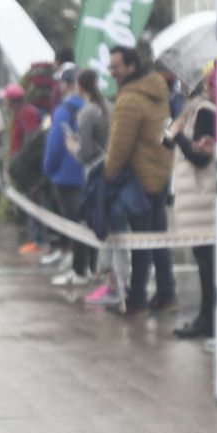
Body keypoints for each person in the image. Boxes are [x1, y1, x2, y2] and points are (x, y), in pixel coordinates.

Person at [104, 46, 175, 315]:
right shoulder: (157, 91)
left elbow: (119, 147)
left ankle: (137, 300)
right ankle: (167, 295)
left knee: (140, 244)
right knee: (158, 241)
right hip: (160, 173)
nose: (112, 72)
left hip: (139, 179)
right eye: (110, 67)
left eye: (116, 67)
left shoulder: (130, 100)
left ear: (132, 66)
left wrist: (107, 176)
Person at [65, 68, 124, 306]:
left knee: (102, 226)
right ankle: (114, 284)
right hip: (114, 171)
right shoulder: (108, 107)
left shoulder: (86, 112)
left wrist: (72, 146)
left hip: (95, 175)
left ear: (79, 86)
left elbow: (86, 152)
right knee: (114, 228)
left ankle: (111, 285)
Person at [167, 65, 217, 339]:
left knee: (208, 266)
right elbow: (169, 143)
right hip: (197, 201)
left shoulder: (206, 112)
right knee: (205, 264)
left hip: (203, 200)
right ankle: (206, 319)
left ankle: (207, 321)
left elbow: (201, 156)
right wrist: (173, 131)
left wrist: (178, 137)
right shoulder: (195, 109)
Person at [44, 68, 89, 286]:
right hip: (87, 174)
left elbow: (55, 144)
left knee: (74, 226)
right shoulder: (94, 108)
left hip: (65, 175)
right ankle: (88, 268)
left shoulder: (64, 110)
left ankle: (78, 270)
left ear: (68, 84)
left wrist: (49, 169)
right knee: (86, 223)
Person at [4, 83, 47, 255]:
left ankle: (38, 240)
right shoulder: (20, 113)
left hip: (29, 170)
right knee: (30, 202)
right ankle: (34, 238)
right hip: (22, 168)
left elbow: (31, 141)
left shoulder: (27, 113)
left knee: (34, 202)